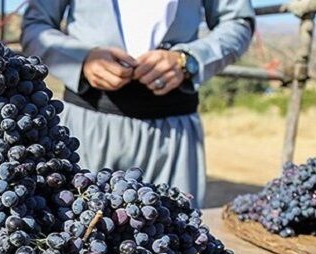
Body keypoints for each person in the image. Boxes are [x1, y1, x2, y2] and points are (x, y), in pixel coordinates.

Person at [21, 0, 254, 206]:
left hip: (173, 136)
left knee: (175, 242)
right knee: (73, 238)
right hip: (83, 133)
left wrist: (190, 60)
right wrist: (81, 59)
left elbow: (238, 21)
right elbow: (35, 26)